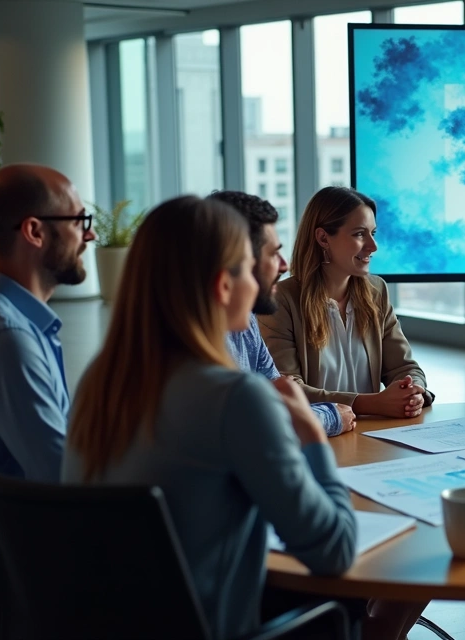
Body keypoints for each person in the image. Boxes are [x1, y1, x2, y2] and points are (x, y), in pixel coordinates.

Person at [62, 196, 357, 639]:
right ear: (223, 285)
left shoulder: (99, 380)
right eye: (247, 265)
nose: (269, 273)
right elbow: (334, 550)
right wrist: (313, 436)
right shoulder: (235, 398)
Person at [259, 186, 433, 418]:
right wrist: (368, 404)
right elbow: (286, 389)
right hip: (317, 435)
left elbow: (404, 367)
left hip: (372, 435)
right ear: (323, 238)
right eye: (360, 234)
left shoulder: (376, 291)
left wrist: (414, 391)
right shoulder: (281, 299)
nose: (373, 246)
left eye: (373, 233)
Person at [0, 164, 95, 482]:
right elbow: (60, 476)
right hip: (28, 530)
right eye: (79, 220)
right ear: (34, 232)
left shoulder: (11, 320)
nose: (90, 234)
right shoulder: (8, 337)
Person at [207, 190, 356, 436]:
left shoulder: (247, 320)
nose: (284, 265)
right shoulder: (191, 350)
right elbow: (258, 426)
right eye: (272, 253)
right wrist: (330, 416)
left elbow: (278, 398)